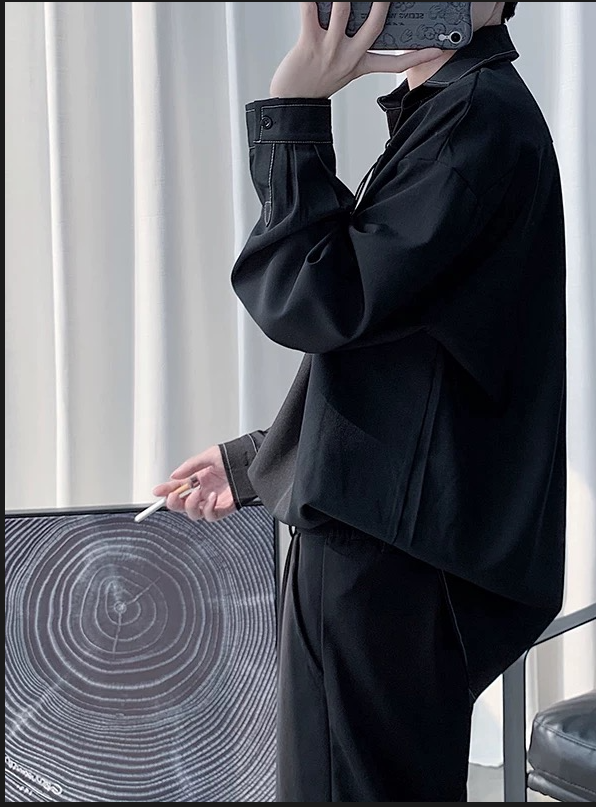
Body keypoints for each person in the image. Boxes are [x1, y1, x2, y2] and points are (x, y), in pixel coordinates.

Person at [153, 1, 566, 801]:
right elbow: (401, 350)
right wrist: (254, 460)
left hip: (385, 554)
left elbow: (316, 299)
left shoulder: (473, 124)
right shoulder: (460, 113)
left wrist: (294, 109)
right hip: (394, 539)